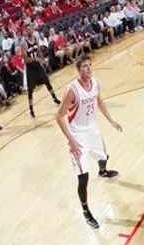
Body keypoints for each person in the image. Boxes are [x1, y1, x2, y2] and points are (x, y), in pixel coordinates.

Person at [55, 55, 122, 228]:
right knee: (83, 177)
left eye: (90, 65)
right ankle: (86, 211)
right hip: (77, 135)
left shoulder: (96, 83)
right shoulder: (72, 89)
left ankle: (103, 171)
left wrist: (111, 120)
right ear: (78, 70)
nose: (88, 68)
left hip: (92, 131)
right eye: (84, 66)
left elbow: (99, 100)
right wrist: (71, 140)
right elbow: (59, 116)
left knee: (104, 156)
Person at [17, 25, 61, 118]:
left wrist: (43, 59)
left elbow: (38, 51)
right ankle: (31, 110)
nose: (29, 30)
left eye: (31, 29)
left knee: (47, 82)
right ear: (26, 31)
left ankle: (55, 98)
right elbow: (25, 59)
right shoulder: (23, 43)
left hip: (37, 65)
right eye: (27, 29)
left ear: (33, 30)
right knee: (30, 90)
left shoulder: (35, 38)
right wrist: (37, 59)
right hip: (30, 68)